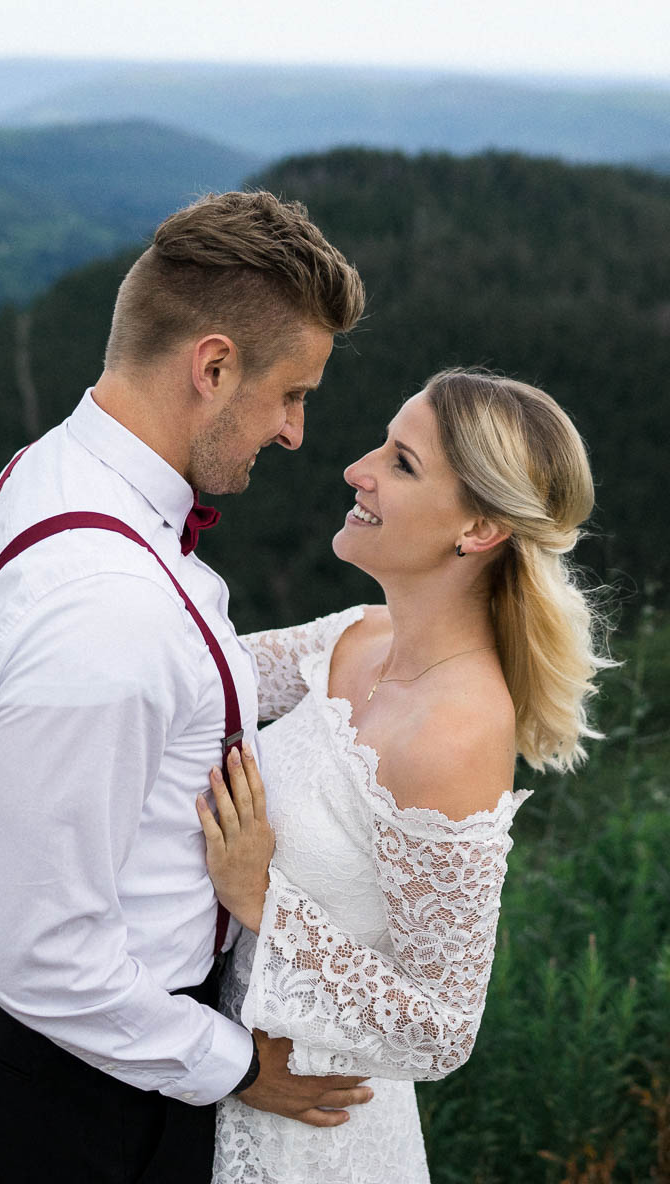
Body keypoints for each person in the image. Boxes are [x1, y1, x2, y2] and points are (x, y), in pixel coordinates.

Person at [0, 190, 375, 1183]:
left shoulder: (57, 473)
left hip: (102, 1043)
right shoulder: (107, 611)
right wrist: (231, 1064)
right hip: (91, 1077)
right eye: (291, 394)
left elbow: (178, 685)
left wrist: (359, 646)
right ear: (213, 366)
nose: (297, 432)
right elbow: (39, 951)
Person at [198, 368, 609, 1183]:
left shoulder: (457, 734)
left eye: (402, 463)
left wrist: (258, 899)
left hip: (313, 1140)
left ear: (480, 528)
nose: (357, 468)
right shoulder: (359, 635)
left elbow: (443, 1029)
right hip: (216, 1082)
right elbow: (202, 679)